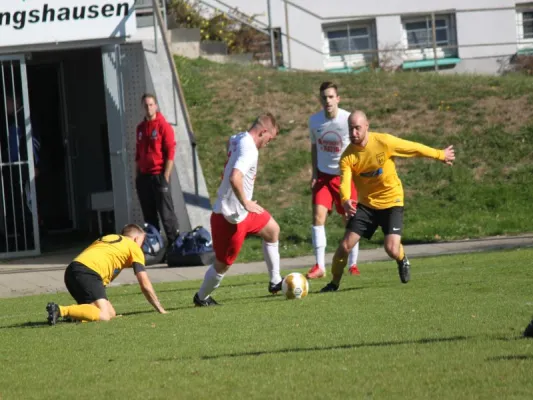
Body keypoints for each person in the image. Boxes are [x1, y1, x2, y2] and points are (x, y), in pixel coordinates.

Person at [320, 110, 455, 292]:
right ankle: (333, 283)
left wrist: (440, 154)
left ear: (367, 126)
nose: (353, 133)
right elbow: (345, 181)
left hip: (392, 201)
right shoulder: (347, 156)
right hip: (367, 205)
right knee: (345, 245)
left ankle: (402, 259)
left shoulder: (383, 142)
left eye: (357, 128)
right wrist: (345, 200)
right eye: (350, 129)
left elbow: (412, 148)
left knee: (391, 249)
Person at [193, 113, 282, 306]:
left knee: (272, 230)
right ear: (263, 132)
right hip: (230, 217)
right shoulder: (250, 150)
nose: (268, 143)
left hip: (244, 213)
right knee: (222, 265)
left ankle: (275, 282)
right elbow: (235, 177)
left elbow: (229, 142)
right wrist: (246, 202)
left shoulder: (240, 137)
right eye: (270, 138)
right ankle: (201, 298)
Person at [46, 224, 167, 325]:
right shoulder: (133, 247)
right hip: (88, 273)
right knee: (104, 315)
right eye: (142, 241)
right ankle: (60, 310)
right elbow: (144, 284)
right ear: (135, 239)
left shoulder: (110, 238)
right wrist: (160, 308)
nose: (142, 245)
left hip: (72, 272)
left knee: (110, 313)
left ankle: (75, 315)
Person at [307, 81, 360, 280]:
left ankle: (353, 264)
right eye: (324, 97)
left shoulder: (347, 119)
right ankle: (320, 266)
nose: (327, 101)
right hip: (323, 177)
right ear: (320, 99)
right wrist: (314, 174)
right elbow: (314, 147)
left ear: (338, 98)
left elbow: (358, 144)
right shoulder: (314, 121)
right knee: (318, 218)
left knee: (350, 220)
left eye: (331, 97)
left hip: (345, 177)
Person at [135, 93, 180, 250]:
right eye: (146, 105)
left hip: (158, 175)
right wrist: (138, 175)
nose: (148, 108)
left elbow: (170, 152)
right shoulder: (140, 128)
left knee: (166, 214)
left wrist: (165, 176)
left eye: (151, 105)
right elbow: (138, 154)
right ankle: (156, 247)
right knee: (149, 216)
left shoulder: (163, 126)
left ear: (156, 106)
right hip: (144, 177)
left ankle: (175, 246)